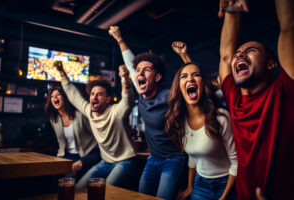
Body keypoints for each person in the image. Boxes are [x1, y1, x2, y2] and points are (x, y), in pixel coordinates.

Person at [218, 0, 294, 199]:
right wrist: (231, 11)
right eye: (238, 53)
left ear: (271, 64)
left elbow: (288, 26)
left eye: (250, 50)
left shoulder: (285, 90)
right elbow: (226, 56)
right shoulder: (234, 100)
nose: (239, 54)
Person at [109, 26, 186, 200]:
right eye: (138, 71)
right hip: (154, 158)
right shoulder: (142, 92)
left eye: (147, 70)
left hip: (174, 159)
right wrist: (119, 38)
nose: (140, 73)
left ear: (157, 77)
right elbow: (130, 63)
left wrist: (185, 57)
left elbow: (192, 87)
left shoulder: (169, 96)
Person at [167, 42, 237, 200]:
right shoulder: (180, 120)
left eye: (196, 75)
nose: (190, 79)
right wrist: (190, 187)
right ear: (179, 88)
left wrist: (224, 197)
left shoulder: (220, 117)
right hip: (200, 184)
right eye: (184, 77)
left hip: (225, 184)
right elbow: (193, 157)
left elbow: (236, 162)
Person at [53, 61, 137, 189]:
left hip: (125, 161)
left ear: (108, 99)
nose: (94, 97)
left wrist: (125, 81)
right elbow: (73, 94)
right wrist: (61, 72)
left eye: (99, 94)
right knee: (78, 189)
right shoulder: (89, 111)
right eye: (92, 94)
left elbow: (127, 101)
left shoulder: (116, 111)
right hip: (105, 162)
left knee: (104, 191)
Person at [44, 85, 101, 181]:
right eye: (52, 96)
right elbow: (61, 143)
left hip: (87, 154)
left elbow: (96, 135)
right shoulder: (54, 119)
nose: (55, 98)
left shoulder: (80, 115)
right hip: (67, 156)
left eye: (58, 95)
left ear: (65, 97)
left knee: (69, 178)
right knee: (51, 176)